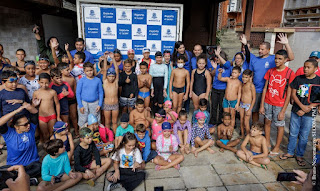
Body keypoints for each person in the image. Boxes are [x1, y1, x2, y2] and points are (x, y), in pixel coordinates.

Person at [241, 33, 295, 123]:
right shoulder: (254, 59)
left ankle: (264, 132)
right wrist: (245, 44)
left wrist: (286, 44)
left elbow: (291, 57)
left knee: (267, 115)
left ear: (268, 50)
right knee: (255, 111)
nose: (260, 51)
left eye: (262, 49)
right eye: (259, 49)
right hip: (257, 90)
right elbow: (247, 54)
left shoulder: (274, 58)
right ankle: (256, 128)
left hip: (269, 92)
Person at [279, 59, 320, 166]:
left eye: (308, 67)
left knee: (304, 135)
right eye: (304, 67)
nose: (305, 69)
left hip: (310, 113)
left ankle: (300, 155)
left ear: (315, 69)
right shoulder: (299, 79)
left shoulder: (318, 81)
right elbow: (293, 94)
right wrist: (301, 107)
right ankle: (290, 152)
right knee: (293, 133)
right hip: (296, 111)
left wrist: (309, 107)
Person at [259, 49, 295, 157]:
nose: (277, 60)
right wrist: (262, 105)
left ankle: (277, 147)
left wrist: (283, 110)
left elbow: (289, 93)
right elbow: (265, 88)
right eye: (276, 58)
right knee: (267, 122)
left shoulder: (289, 73)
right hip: (268, 101)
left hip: (280, 104)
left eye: (280, 59)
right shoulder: (270, 71)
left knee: (279, 125)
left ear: (285, 60)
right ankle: (268, 142)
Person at [0, 104, 41, 179]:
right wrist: (16, 111)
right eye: (25, 124)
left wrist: (26, 105)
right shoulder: (8, 133)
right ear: (16, 126)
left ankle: (19, 177)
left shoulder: (31, 129)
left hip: (31, 164)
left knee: (38, 167)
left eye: (28, 122)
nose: (28, 125)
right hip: (14, 166)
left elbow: (35, 112)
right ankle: (27, 178)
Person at [32, 73, 60, 143]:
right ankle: (47, 149)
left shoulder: (52, 92)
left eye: (46, 83)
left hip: (52, 116)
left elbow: (57, 104)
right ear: (38, 81)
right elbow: (32, 106)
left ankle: (52, 148)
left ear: (50, 82)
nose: (44, 85)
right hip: (41, 117)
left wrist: (58, 116)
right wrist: (35, 105)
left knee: (52, 133)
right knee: (45, 134)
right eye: (42, 82)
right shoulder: (36, 93)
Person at [77, 62, 103, 127]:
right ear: (84, 71)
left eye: (91, 70)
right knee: (83, 120)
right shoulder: (81, 80)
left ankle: (96, 136)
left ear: (93, 70)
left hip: (95, 103)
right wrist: (80, 105)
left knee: (95, 120)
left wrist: (99, 104)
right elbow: (78, 93)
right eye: (87, 71)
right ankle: (83, 135)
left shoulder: (98, 80)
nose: (89, 72)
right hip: (84, 103)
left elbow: (101, 92)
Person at [210, 46, 231, 127]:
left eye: (218, 58)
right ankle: (213, 121)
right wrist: (215, 68)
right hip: (215, 89)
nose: (217, 59)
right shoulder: (217, 65)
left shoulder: (228, 65)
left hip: (223, 90)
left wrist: (218, 55)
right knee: (214, 106)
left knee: (221, 107)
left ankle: (220, 122)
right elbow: (212, 74)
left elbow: (226, 64)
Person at [57, 62, 78, 136]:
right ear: (61, 71)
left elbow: (75, 90)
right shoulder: (59, 80)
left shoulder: (72, 79)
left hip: (72, 100)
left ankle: (76, 131)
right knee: (66, 118)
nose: (69, 71)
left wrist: (76, 100)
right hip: (63, 101)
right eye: (67, 70)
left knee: (74, 116)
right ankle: (68, 133)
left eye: (69, 70)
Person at [101, 53, 119, 133]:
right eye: (109, 76)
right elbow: (105, 70)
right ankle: (108, 137)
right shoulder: (105, 81)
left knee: (114, 122)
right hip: (107, 104)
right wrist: (105, 59)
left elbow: (117, 70)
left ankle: (115, 137)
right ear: (106, 76)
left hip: (115, 104)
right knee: (107, 122)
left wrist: (113, 59)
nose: (111, 78)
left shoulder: (116, 82)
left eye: (113, 76)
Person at [239, 69, 256, 138]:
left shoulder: (251, 86)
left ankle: (249, 137)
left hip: (248, 105)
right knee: (241, 120)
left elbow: (254, 98)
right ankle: (243, 135)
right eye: (243, 77)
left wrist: (250, 109)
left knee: (246, 122)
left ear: (250, 77)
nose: (244, 79)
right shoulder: (243, 84)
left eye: (246, 77)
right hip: (242, 104)